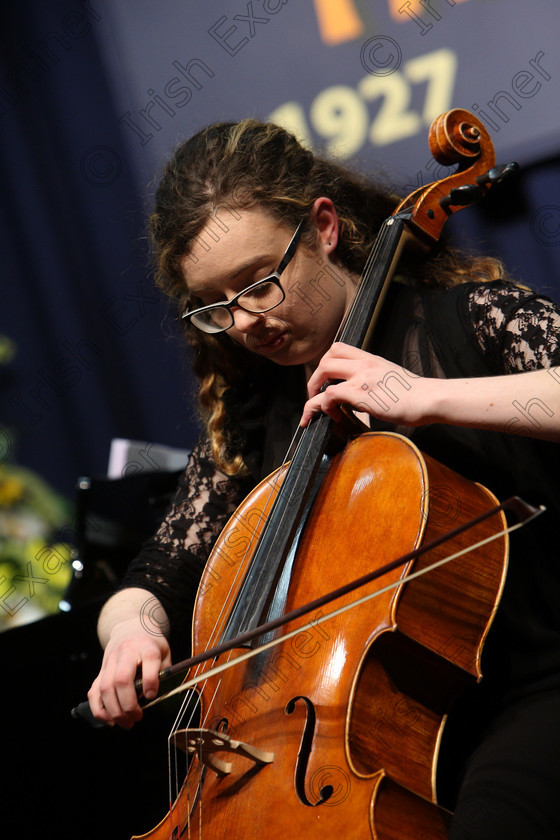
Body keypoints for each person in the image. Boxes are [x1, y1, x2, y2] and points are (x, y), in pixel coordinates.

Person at [87, 120, 560, 838]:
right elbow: (154, 576)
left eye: (258, 283)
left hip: (532, 694)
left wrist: (428, 397)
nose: (246, 321)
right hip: (359, 737)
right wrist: (130, 632)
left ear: (325, 228)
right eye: (216, 305)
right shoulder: (254, 420)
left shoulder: (466, 323)